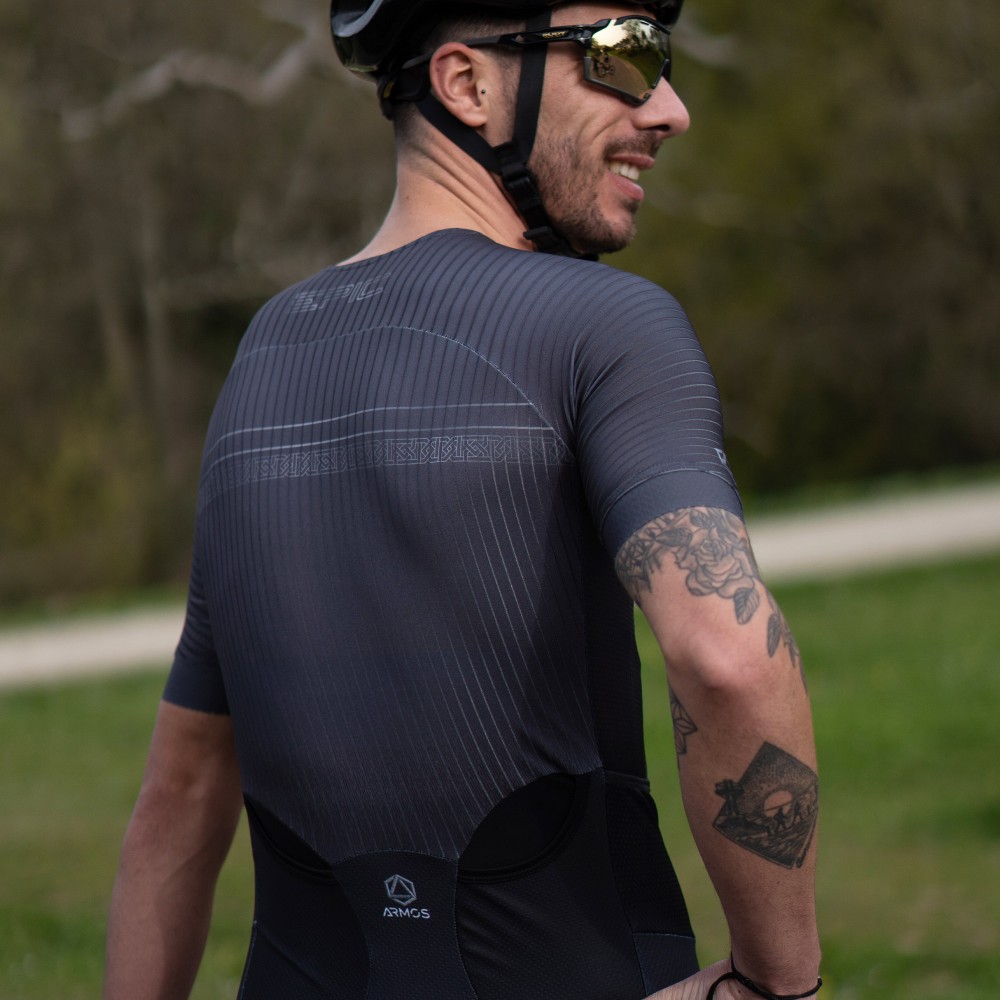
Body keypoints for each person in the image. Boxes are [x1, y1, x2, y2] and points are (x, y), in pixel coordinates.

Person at [104, 2, 823, 998]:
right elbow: (731, 659)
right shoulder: (608, 326)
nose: (669, 108)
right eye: (623, 56)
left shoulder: (263, 354)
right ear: (467, 84)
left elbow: (181, 790)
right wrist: (776, 983)